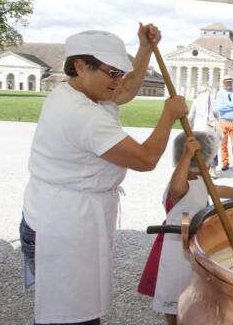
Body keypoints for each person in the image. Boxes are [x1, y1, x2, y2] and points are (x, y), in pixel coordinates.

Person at [18, 25, 188, 325]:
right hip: (64, 224)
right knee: (68, 314)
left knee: (72, 309)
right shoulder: (83, 115)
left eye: (119, 72)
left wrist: (144, 49)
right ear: (81, 66)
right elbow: (146, 159)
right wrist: (168, 116)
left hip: (57, 211)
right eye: (112, 73)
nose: (118, 81)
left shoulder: (76, 92)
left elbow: (125, 90)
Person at [137, 131, 233, 325]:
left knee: (190, 289)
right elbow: (176, 188)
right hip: (173, 247)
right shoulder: (180, 184)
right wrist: (188, 156)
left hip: (192, 245)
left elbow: (217, 190)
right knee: (173, 291)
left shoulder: (200, 180)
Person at [188, 85, 221, 179]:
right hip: (210, 126)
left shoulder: (196, 100)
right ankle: (213, 170)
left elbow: (191, 116)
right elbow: (216, 112)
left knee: (199, 148)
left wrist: (190, 127)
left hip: (198, 127)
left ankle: (198, 169)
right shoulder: (212, 100)